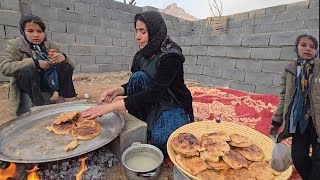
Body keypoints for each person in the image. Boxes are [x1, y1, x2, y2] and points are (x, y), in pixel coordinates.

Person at [82, 11, 194, 155]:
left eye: (143, 31)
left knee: (161, 141)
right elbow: (135, 84)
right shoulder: (142, 54)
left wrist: (111, 106)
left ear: (154, 32)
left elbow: (154, 92)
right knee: (137, 77)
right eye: (136, 31)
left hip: (172, 102)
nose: (137, 37)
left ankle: (176, 122)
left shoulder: (171, 56)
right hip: (153, 98)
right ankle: (142, 121)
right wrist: (117, 90)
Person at [0, 14, 77, 116]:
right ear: (23, 31)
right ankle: (38, 104)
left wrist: (64, 57)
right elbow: (5, 67)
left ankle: (62, 98)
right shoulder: (15, 45)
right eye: (30, 31)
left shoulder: (50, 45)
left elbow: (72, 66)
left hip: (47, 82)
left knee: (65, 66)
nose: (36, 35)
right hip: (28, 86)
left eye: (39, 31)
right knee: (28, 69)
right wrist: (35, 63)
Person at [269, 34, 320, 180]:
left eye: (312, 47)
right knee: (297, 156)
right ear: (296, 48)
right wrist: (276, 121)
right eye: (303, 45)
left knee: (318, 160)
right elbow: (284, 97)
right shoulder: (290, 69)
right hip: (299, 121)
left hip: (318, 122)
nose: (308, 49)